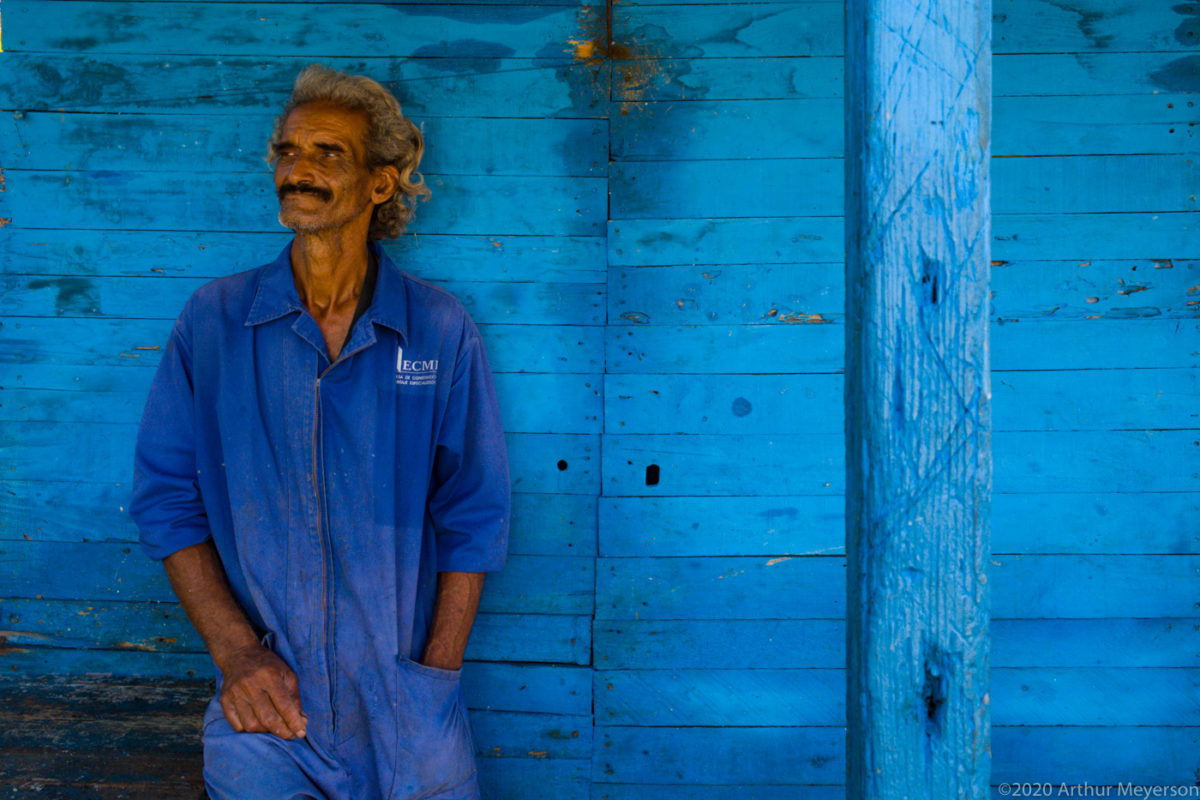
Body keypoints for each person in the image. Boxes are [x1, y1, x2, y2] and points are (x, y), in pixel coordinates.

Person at [130, 64, 510, 800]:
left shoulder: (436, 328)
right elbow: (166, 501)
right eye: (287, 151)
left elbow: (473, 511)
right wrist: (237, 654)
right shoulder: (214, 322)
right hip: (269, 707)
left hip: (407, 710)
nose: (296, 170)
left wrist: (435, 676)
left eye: (327, 153)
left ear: (381, 183)